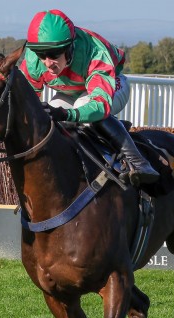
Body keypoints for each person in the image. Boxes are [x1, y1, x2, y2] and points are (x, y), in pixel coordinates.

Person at [19, 9, 159, 186]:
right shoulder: (33, 59)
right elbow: (27, 102)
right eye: (42, 56)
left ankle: (139, 163)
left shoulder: (93, 52)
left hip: (111, 88)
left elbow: (99, 105)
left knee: (83, 106)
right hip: (71, 93)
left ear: (69, 47)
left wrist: (67, 114)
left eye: (54, 55)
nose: (47, 63)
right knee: (50, 119)